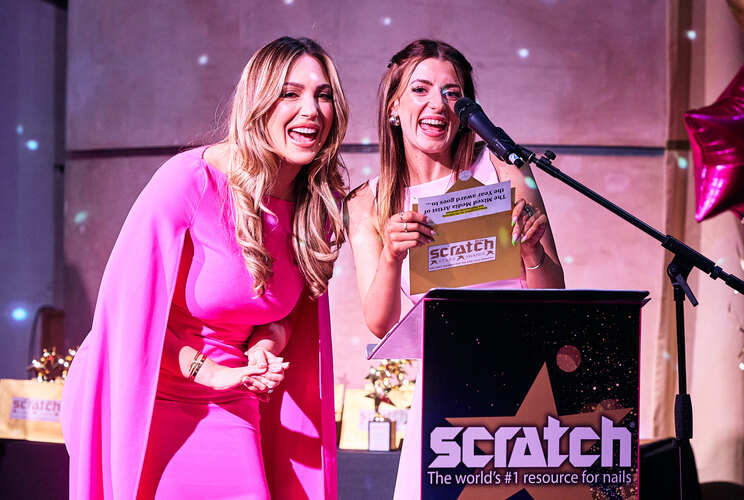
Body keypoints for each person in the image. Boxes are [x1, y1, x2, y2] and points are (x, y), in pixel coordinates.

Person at [62, 37, 348, 500]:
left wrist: (262, 348)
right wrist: (207, 370)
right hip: (148, 394)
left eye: (323, 95)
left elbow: (285, 314)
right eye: (290, 93)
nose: (311, 110)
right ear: (258, 103)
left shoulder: (318, 204)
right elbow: (125, 318)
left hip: (233, 399)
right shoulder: (189, 181)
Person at [345, 39, 565, 498]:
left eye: (452, 93)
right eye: (420, 89)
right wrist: (391, 256)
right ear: (393, 106)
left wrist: (531, 253)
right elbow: (380, 323)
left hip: (523, 383)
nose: (437, 104)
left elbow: (554, 294)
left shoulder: (505, 170)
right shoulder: (368, 201)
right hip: (444, 390)